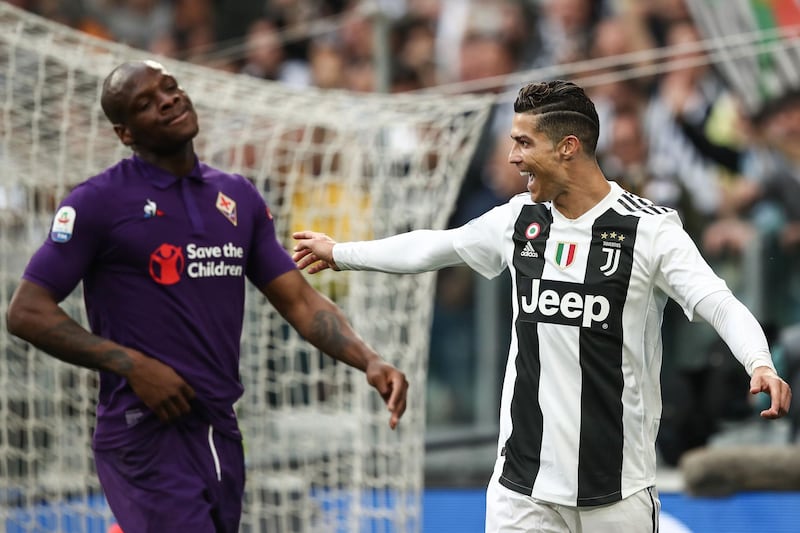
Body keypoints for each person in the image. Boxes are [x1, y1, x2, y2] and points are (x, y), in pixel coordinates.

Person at [292, 79, 792, 532]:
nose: (512, 156)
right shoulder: (519, 220)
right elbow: (433, 247)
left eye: (523, 142)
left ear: (567, 147)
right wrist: (341, 254)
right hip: (521, 488)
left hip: (616, 490)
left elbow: (718, 302)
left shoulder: (650, 229)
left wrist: (759, 362)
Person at [5, 59, 408, 533]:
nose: (168, 100)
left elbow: (300, 301)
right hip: (143, 429)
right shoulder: (97, 203)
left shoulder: (235, 197)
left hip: (219, 426)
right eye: (146, 103)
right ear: (125, 133)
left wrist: (370, 360)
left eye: (170, 88)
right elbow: (26, 311)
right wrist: (132, 365)